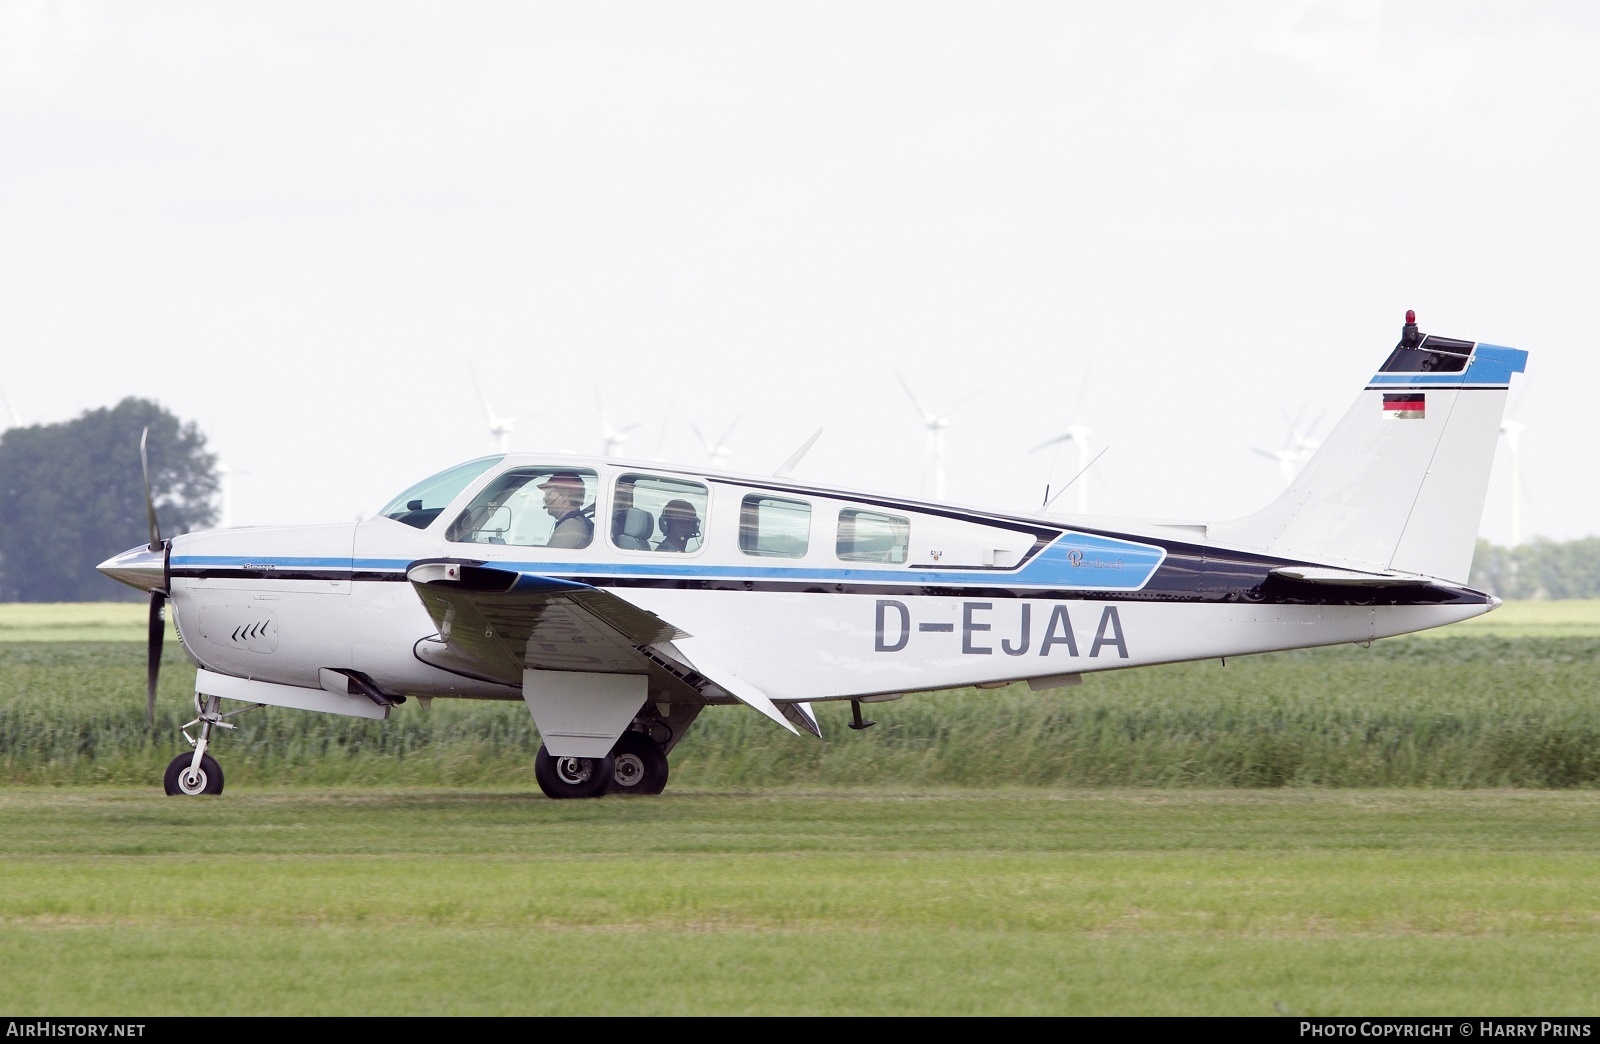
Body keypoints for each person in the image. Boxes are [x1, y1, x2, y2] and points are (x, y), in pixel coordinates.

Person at [539, 471, 593, 549]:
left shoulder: (569, 529)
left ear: (564, 496)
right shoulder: (575, 523)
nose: (545, 499)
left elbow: (550, 559)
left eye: (549, 494)